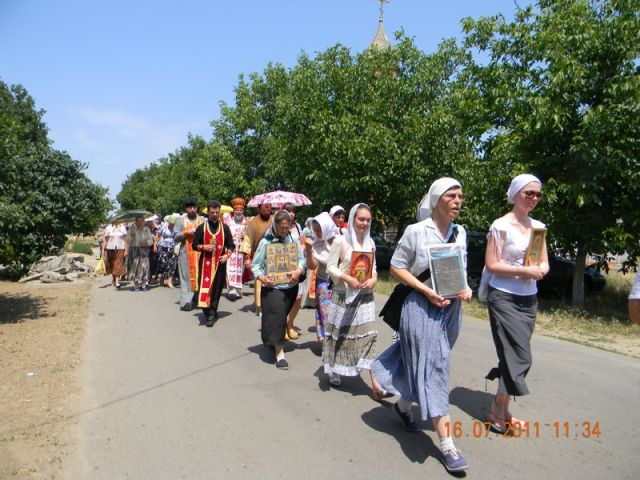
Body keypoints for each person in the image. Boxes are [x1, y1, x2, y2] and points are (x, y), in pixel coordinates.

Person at [371, 178, 472, 473]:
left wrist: (464, 288)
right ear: (437, 199)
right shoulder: (416, 231)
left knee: (424, 361)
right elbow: (396, 267)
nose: (458, 201)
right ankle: (448, 446)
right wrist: (427, 290)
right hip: (420, 307)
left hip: (451, 309)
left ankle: (402, 405)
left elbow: (460, 267)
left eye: (461, 196)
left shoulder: (460, 232)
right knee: (436, 369)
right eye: (452, 196)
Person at [483, 174, 549, 435]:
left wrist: (540, 270)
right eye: (528, 193)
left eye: (537, 194)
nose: (533, 198)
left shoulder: (538, 227)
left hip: (528, 298)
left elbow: (543, 261)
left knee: (509, 355)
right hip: (503, 296)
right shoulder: (500, 226)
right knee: (520, 355)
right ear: (516, 194)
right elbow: (492, 264)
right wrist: (521, 272)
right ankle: (498, 406)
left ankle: (502, 407)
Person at [324, 203, 385, 399]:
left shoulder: (371, 244)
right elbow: (330, 268)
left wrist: (374, 279)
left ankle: (375, 385)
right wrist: (347, 278)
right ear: (353, 220)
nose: (365, 223)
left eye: (368, 220)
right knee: (340, 335)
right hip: (343, 296)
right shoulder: (341, 242)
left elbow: (374, 269)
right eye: (361, 219)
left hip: (365, 298)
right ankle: (334, 368)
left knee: (369, 336)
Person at [251, 210, 305, 369]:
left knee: (278, 319)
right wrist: (262, 278)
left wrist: (298, 271)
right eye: (281, 227)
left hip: (291, 287)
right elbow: (256, 266)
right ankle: (280, 353)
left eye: (286, 227)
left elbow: (302, 261)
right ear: (275, 226)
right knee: (279, 316)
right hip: (272, 287)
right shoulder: (265, 243)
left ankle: (272, 340)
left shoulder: (293, 241)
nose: (284, 230)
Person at [192, 201, 235, 327]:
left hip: (220, 265)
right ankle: (207, 310)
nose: (215, 214)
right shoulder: (201, 228)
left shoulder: (225, 228)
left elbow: (231, 245)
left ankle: (212, 312)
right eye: (212, 212)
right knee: (203, 288)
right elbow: (194, 245)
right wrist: (204, 247)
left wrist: (227, 255)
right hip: (205, 264)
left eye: (217, 212)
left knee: (217, 289)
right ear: (208, 212)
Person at [309, 212, 338, 341]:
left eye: (319, 229)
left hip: (341, 284)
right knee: (325, 313)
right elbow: (312, 265)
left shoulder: (342, 240)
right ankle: (328, 342)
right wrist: (309, 250)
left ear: (326, 227)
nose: (317, 232)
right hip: (324, 284)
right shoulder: (316, 245)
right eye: (315, 230)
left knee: (340, 314)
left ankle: (340, 341)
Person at [240, 202, 273, 316]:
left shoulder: (275, 219)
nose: (267, 209)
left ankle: (271, 304)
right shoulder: (253, 222)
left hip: (273, 255)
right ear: (259, 208)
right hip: (258, 255)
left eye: (269, 206)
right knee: (259, 280)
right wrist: (247, 258)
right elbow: (248, 239)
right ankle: (259, 306)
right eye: (264, 207)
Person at [174, 198, 204, 311]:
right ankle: (186, 301)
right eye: (189, 207)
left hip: (200, 253)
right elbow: (175, 236)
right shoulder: (180, 221)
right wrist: (185, 233)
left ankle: (198, 299)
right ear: (186, 209)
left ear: (196, 208)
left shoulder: (202, 220)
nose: (192, 209)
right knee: (186, 277)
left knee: (199, 276)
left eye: (194, 207)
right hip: (185, 253)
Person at [283, 203, 303, 340]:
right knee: (284, 298)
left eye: (293, 211)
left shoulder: (298, 227)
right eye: (288, 211)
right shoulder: (278, 226)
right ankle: (282, 325)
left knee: (298, 297)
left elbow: (301, 244)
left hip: (297, 266)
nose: (291, 214)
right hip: (283, 267)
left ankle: (290, 324)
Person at [224, 197, 249, 301]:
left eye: (240, 210)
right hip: (231, 249)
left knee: (240, 270)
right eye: (237, 210)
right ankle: (231, 290)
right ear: (233, 211)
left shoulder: (247, 222)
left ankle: (238, 290)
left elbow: (250, 236)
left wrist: (245, 234)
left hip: (241, 249)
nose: (238, 212)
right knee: (230, 269)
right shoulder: (228, 221)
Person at [126, 215, 155, 291]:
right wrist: (132, 235)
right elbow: (127, 240)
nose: (140, 223)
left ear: (144, 221)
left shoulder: (146, 229)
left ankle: (143, 285)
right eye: (138, 221)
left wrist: (147, 243)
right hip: (134, 250)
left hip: (144, 250)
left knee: (145, 267)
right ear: (135, 221)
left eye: (142, 221)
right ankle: (136, 286)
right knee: (134, 267)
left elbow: (151, 240)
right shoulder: (132, 229)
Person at [101, 221, 127, 288]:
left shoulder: (122, 228)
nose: (116, 221)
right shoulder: (108, 228)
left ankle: (117, 282)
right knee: (112, 265)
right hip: (110, 248)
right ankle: (114, 279)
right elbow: (106, 240)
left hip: (120, 248)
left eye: (117, 220)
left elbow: (125, 239)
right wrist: (103, 250)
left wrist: (126, 250)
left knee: (118, 264)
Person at [156, 215, 178, 288]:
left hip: (173, 248)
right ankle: (162, 279)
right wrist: (154, 245)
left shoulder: (177, 228)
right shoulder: (163, 226)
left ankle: (169, 281)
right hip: (163, 247)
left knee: (172, 264)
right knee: (164, 263)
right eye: (171, 223)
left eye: (173, 223)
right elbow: (158, 235)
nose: (172, 224)